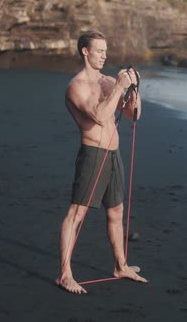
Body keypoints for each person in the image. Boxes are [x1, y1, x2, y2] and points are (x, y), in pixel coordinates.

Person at [56, 30, 148, 294]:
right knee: (77, 214)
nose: (104, 55)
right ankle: (64, 274)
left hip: (114, 153)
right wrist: (119, 87)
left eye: (106, 51)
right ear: (85, 51)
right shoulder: (76, 86)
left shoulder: (108, 81)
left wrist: (132, 89)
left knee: (116, 212)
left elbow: (134, 114)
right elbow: (98, 116)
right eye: (99, 50)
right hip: (93, 154)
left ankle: (120, 265)